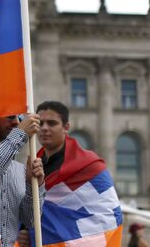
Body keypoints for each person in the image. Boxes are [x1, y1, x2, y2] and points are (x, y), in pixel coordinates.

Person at [30, 101, 122, 246]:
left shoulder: (89, 165)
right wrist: (25, 230)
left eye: (52, 123)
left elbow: (108, 215)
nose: (44, 128)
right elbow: (32, 209)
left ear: (66, 127)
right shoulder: (33, 164)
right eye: (40, 123)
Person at [0, 114, 45, 246]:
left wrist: (32, 186)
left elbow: (30, 221)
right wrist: (19, 134)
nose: (16, 122)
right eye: (10, 117)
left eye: (19, 118)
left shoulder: (19, 169)